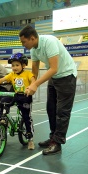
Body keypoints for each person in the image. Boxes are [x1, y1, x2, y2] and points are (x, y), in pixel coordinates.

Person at [19, 25, 77, 155]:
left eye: (24, 42)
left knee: (62, 111)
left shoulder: (49, 42)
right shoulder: (33, 49)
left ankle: (57, 142)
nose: (23, 45)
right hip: (55, 77)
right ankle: (53, 137)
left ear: (32, 38)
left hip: (67, 76)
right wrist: (32, 83)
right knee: (51, 108)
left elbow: (54, 68)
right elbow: (35, 69)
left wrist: (36, 85)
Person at [0, 53, 36, 150]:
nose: (14, 67)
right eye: (13, 65)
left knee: (26, 117)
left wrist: (30, 88)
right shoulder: (12, 74)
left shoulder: (28, 74)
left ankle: (30, 139)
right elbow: (1, 80)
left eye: (17, 65)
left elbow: (33, 81)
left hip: (25, 97)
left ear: (23, 65)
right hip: (15, 95)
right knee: (2, 102)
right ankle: (4, 118)